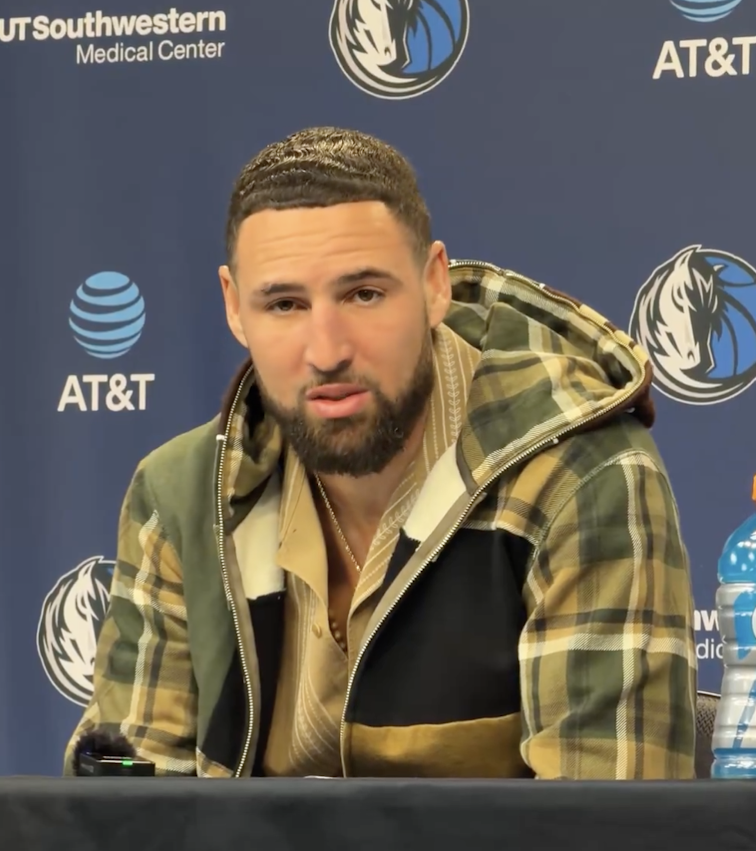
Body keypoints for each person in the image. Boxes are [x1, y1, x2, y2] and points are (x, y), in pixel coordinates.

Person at [65, 126, 697, 780]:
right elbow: (126, 810)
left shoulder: (581, 476)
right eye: (284, 304)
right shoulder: (182, 495)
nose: (327, 350)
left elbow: (603, 818)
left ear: (434, 284)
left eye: (363, 294)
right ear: (233, 307)